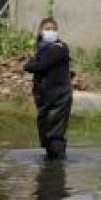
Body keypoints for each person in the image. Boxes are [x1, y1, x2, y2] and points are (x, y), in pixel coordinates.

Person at [24, 18, 73, 161]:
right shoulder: (42, 48)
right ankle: (51, 165)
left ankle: (57, 169)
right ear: (41, 31)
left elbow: (39, 65)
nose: (50, 31)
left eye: (53, 29)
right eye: (47, 29)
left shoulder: (60, 47)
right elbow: (38, 63)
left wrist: (29, 64)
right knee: (46, 134)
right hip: (45, 98)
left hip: (59, 99)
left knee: (55, 134)